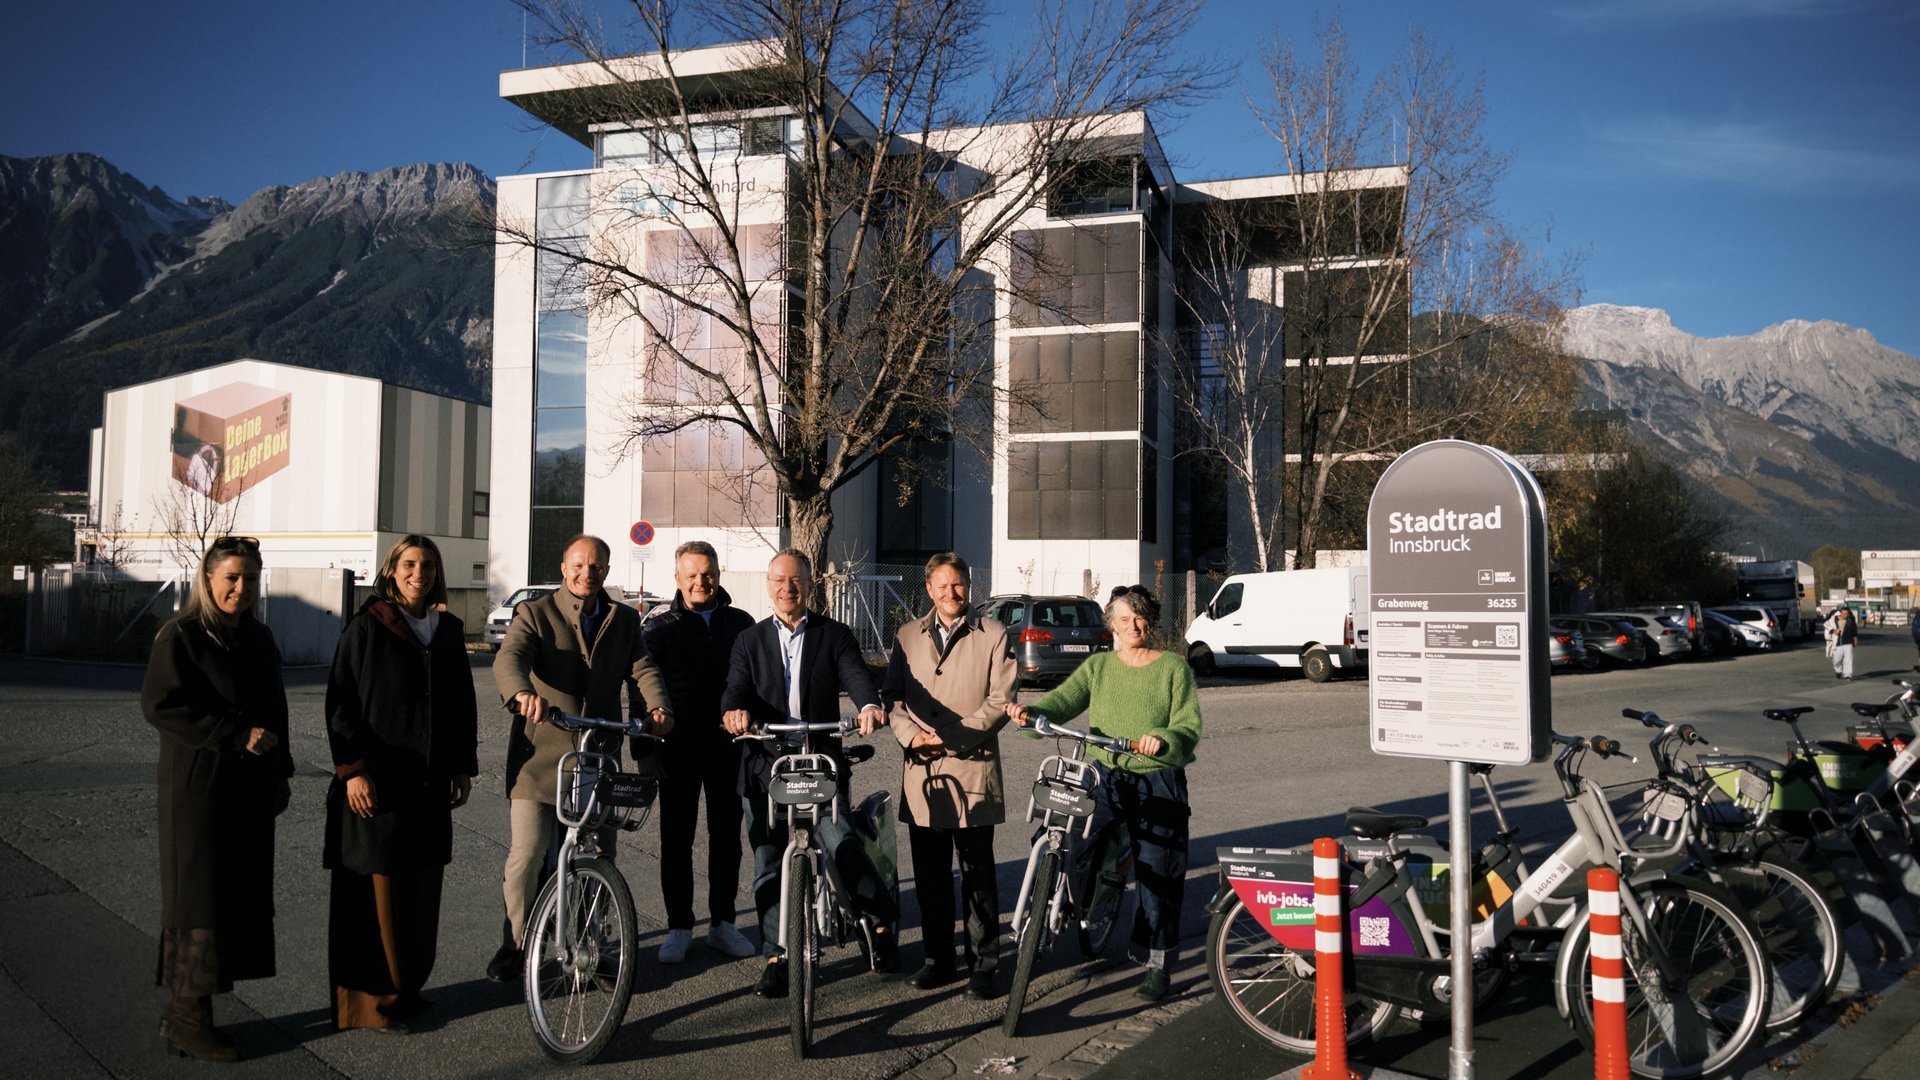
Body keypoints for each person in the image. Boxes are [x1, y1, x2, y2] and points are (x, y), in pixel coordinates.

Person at [490, 534, 675, 981]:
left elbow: (643, 668)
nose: (586, 573)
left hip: (597, 757)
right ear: (563, 567)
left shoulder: (625, 619)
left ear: (606, 572)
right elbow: (511, 655)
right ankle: (515, 942)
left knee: (600, 852)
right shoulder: (535, 613)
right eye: (578, 565)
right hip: (541, 755)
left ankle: (592, 943)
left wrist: (658, 707)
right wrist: (521, 692)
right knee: (529, 852)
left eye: (595, 567)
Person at [1006, 585, 1202, 1003]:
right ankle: (1085, 898)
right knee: (1074, 844)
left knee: (1159, 874)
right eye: (1125, 618)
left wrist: (1162, 738)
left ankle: (1159, 964)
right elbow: (1061, 703)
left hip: (1158, 779)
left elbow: (1187, 725)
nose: (1133, 625)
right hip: (1106, 776)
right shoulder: (1098, 667)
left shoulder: (1172, 668)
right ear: (1111, 624)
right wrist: (1031, 715)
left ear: (1150, 621)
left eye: (1140, 617)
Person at [141, 536, 294, 1061]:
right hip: (199, 790)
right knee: (198, 901)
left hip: (249, 790)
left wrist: (281, 772)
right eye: (231, 577)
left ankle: (193, 1012)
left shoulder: (257, 636)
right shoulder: (182, 636)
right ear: (207, 579)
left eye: (249, 579)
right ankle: (187, 1018)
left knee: (236, 900)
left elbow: (275, 709)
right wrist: (232, 733)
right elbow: (161, 706)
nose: (240, 588)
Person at [721, 549, 896, 996]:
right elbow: (736, 686)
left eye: (795, 580)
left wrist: (870, 705)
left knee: (841, 843)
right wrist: (734, 713)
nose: (787, 588)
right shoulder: (749, 639)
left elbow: (856, 675)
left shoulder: (833, 634)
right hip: (766, 766)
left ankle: (877, 925)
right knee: (766, 864)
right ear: (768, 584)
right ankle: (777, 956)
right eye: (779, 580)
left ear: (810, 585)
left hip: (819, 760)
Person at [323, 535, 478, 1032]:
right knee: (380, 897)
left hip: (429, 786)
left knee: (421, 892)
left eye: (428, 564)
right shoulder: (368, 627)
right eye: (410, 564)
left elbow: (461, 707)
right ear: (391, 570)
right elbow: (341, 701)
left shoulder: (447, 631)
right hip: (378, 785)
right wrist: (352, 770)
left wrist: (460, 766)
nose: (420, 572)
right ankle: (376, 1004)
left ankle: (409, 989)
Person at [883, 552, 1016, 999]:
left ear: (969, 585)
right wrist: (908, 735)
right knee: (930, 875)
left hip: (973, 768)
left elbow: (1000, 701)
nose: (950, 593)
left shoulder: (994, 634)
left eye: (957, 584)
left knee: (978, 874)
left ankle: (983, 966)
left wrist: (951, 737)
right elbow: (893, 697)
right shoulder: (906, 635)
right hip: (922, 774)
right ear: (928, 590)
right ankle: (937, 959)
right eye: (941, 586)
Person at [641, 540, 758, 963]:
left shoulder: (741, 623)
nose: (700, 582)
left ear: (718, 575)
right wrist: (644, 750)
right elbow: (640, 689)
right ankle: (678, 927)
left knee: (727, 838)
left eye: (706, 574)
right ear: (677, 579)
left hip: (729, 748)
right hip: (677, 749)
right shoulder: (658, 627)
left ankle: (723, 924)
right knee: (677, 840)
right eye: (691, 575)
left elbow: (755, 682)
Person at [1833, 605, 1859, 681]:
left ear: (1848, 614)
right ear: (1840, 613)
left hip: (1848, 642)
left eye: (1846, 614)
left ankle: (1848, 675)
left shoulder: (1851, 621)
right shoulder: (1834, 620)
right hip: (1837, 643)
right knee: (1836, 660)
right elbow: (1828, 628)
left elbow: (1854, 632)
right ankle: (1838, 670)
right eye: (1843, 613)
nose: (1844, 615)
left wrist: (1855, 640)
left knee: (1848, 659)